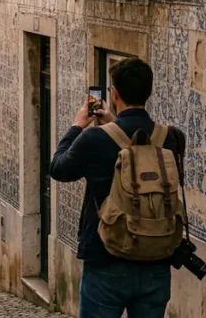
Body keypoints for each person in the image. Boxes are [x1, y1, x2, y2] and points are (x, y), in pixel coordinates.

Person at [49, 58, 185, 318]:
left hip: (105, 259)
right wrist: (113, 122)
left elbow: (59, 169)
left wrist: (78, 125)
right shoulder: (173, 138)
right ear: (149, 91)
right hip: (156, 260)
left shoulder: (93, 138)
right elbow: (140, 148)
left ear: (114, 93)